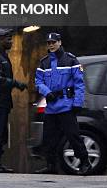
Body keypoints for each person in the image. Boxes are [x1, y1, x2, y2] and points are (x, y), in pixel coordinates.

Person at [35, 32, 91, 176]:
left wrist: (78, 102)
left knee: (73, 136)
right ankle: (51, 165)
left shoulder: (71, 60)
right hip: (51, 106)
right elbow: (38, 82)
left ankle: (85, 162)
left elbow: (79, 83)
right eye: (49, 43)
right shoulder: (44, 62)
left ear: (60, 42)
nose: (51, 45)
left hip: (66, 104)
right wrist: (47, 92)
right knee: (49, 138)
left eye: (54, 42)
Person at [0, 28, 28, 173]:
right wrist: (15, 83)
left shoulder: (2, 56)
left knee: (1, 131)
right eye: (8, 39)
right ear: (0, 40)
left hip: (2, 101)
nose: (11, 42)